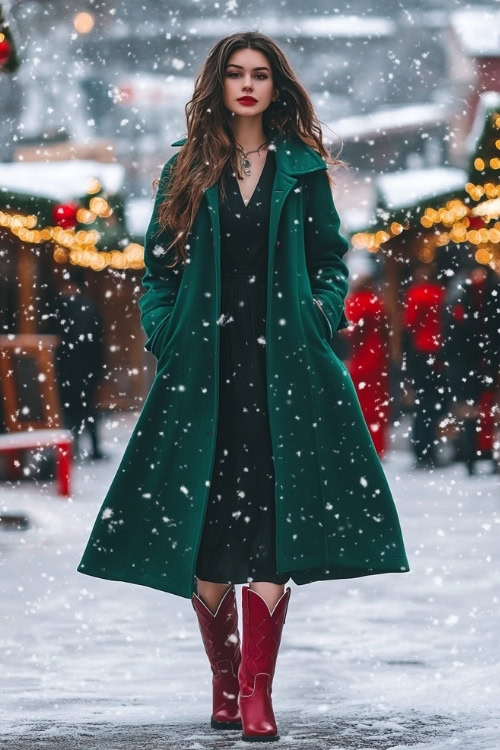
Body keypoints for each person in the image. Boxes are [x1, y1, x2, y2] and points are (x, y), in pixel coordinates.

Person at [77, 32, 410, 741]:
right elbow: (158, 273)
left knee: (269, 521)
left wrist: (319, 315)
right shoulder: (186, 171)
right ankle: (223, 679)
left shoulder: (303, 171)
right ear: (219, 86)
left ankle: (257, 693)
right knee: (202, 531)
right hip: (204, 372)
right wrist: (167, 335)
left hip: (284, 370)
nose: (250, 85)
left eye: (261, 74)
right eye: (237, 74)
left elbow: (330, 260)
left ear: (276, 86)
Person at [443, 262, 500, 476]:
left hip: (484, 362)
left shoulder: (488, 296)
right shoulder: (461, 297)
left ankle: (481, 456)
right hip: (468, 363)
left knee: (486, 411)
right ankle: (470, 456)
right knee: (471, 411)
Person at [51, 268, 107, 461]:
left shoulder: (61, 307)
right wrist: (99, 369)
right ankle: (91, 449)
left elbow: (64, 340)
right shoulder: (88, 307)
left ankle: (71, 451)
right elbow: (97, 342)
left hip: (69, 369)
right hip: (85, 369)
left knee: (71, 411)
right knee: (87, 410)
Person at [402, 264, 446, 469]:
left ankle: (421, 449)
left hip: (420, 351)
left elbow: (409, 324)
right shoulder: (440, 293)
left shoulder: (416, 294)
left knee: (422, 402)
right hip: (439, 353)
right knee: (435, 401)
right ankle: (432, 449)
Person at [344, 271, 391, 459]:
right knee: (377, 404)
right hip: (377, 357)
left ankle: (360, 443)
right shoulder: (377, 302)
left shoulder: (355, 302)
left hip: (361, 359)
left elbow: (350, 332)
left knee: (359, 403)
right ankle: (377, 445)